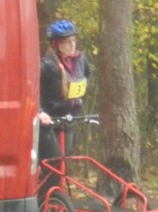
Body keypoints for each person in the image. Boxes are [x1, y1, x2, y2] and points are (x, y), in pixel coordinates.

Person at [37, 19, 93, 196]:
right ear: (56, 44)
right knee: (53, 165)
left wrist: (79, 97)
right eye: (67, 42)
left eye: (73, 40)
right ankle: (46, 209)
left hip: (69, 118)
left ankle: (56, 207)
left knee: (62, 165)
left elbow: (88, 77)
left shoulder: (80, 60)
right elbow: (31, 91)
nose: (72, 45)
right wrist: (40, 112)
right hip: (49, 121)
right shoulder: (45, 65)